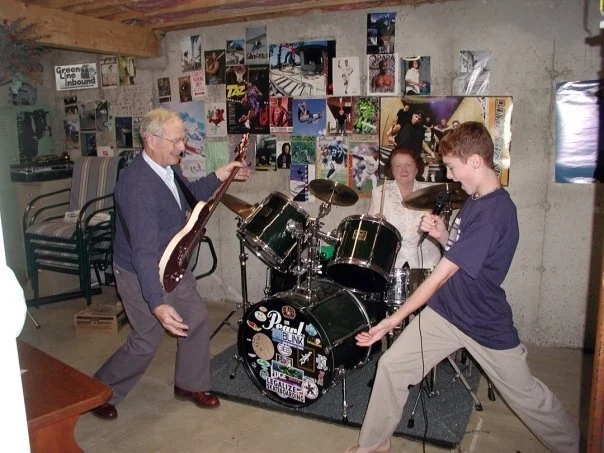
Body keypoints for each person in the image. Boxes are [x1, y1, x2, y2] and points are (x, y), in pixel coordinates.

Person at [345, 122, 580, 453]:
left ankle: (579, 446)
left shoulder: (494, 212)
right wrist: (443, 234)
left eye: (453, 168)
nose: (451, 176)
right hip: (447, 311)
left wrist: (391, 320)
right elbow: (458, 254)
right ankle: (373, 445)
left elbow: (441, 274)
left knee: (528, 397)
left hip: (482, 320)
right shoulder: (476, 199)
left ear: (474, 161)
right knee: (392, 366)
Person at [92, 108, 251, 421]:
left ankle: (190, 385)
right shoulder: (137, 185)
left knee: (196, 318)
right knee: (146, 337)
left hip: (173, 263)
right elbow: (142, 252)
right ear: (151, 140)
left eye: (183, 139)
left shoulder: (167, 167)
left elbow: (189, 195)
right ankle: (99, 390)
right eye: (176, 141)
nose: (182, 147)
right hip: (141, 272)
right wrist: (157, 304)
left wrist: (221, 174)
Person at [368, 148, 441, 269]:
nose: (404, 170)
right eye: (398, 166)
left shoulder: (431, 194)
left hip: (426, 262)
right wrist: (378, 225)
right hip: (391, 262)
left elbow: (439, 231)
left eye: (408, 165)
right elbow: (371, 233)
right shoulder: (379, 193)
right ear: (391, 169)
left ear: (417, 168)